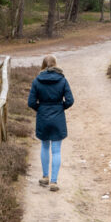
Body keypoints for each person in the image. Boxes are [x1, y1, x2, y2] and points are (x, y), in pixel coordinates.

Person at [27, 54, 74, 191]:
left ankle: (45, 177)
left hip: (43, 117)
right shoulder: (62, 80)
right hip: (58, 118)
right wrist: (60, 108)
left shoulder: (37, 81)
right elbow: (70, 101)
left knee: (45, 146)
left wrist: (41, 109)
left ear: (43, 65)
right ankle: (54, 182)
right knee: (56, 150)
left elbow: (31, 102)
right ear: (56, 64)